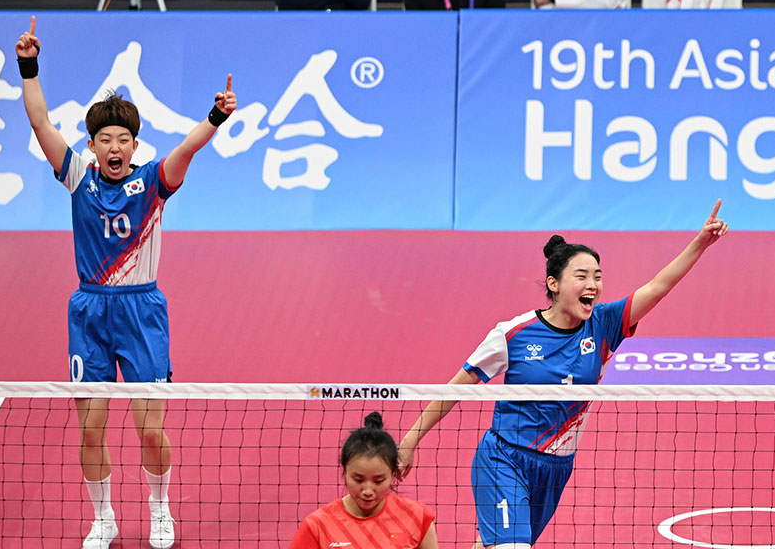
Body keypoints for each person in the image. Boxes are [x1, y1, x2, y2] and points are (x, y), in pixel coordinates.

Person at [15, 17, 236, 549]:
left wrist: (215, 117)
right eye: (104, 139)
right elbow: (42, 123)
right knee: (90, 428)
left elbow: (188, 148)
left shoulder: (153, 183)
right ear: (92, 146)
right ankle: (104, 517)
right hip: (89, 311)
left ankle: (160, 509)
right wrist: (28, 67)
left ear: (134, 146)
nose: (114, 146)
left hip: (141, 312)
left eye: (123, 139)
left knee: (149, 428)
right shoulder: (76, 176)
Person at [397, 202, 728, 548]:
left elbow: (658, 287)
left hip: (555, 469)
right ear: (554, 284)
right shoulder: (513, 334)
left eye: (598, 276)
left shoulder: (605, 324)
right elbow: (457, 388)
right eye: (582, 276)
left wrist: (700, 243)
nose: (593, 284)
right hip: (504, 458)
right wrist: (410, 440)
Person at [290, 412, 438, 549]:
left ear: (393, 473)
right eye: (358, 480)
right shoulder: (318, 526)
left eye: (378, 481)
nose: (368, 491)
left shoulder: (418, 518)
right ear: (345, 471)